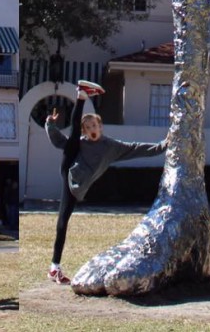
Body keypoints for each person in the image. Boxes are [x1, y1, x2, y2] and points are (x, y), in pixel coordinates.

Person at [45, 80, 168, 284]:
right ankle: (81, 95)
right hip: (70, 173)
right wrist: (50, 124)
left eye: (94, 125)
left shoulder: (111, 147)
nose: (92, 128)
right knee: (72, 141)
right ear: (85, 130)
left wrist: (163, 146)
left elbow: (135, 148)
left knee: (63, 222)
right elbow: (60, 141)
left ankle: (53, 269)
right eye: (88, 127)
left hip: (78, 187)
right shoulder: (81, 141)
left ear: (100, 127)